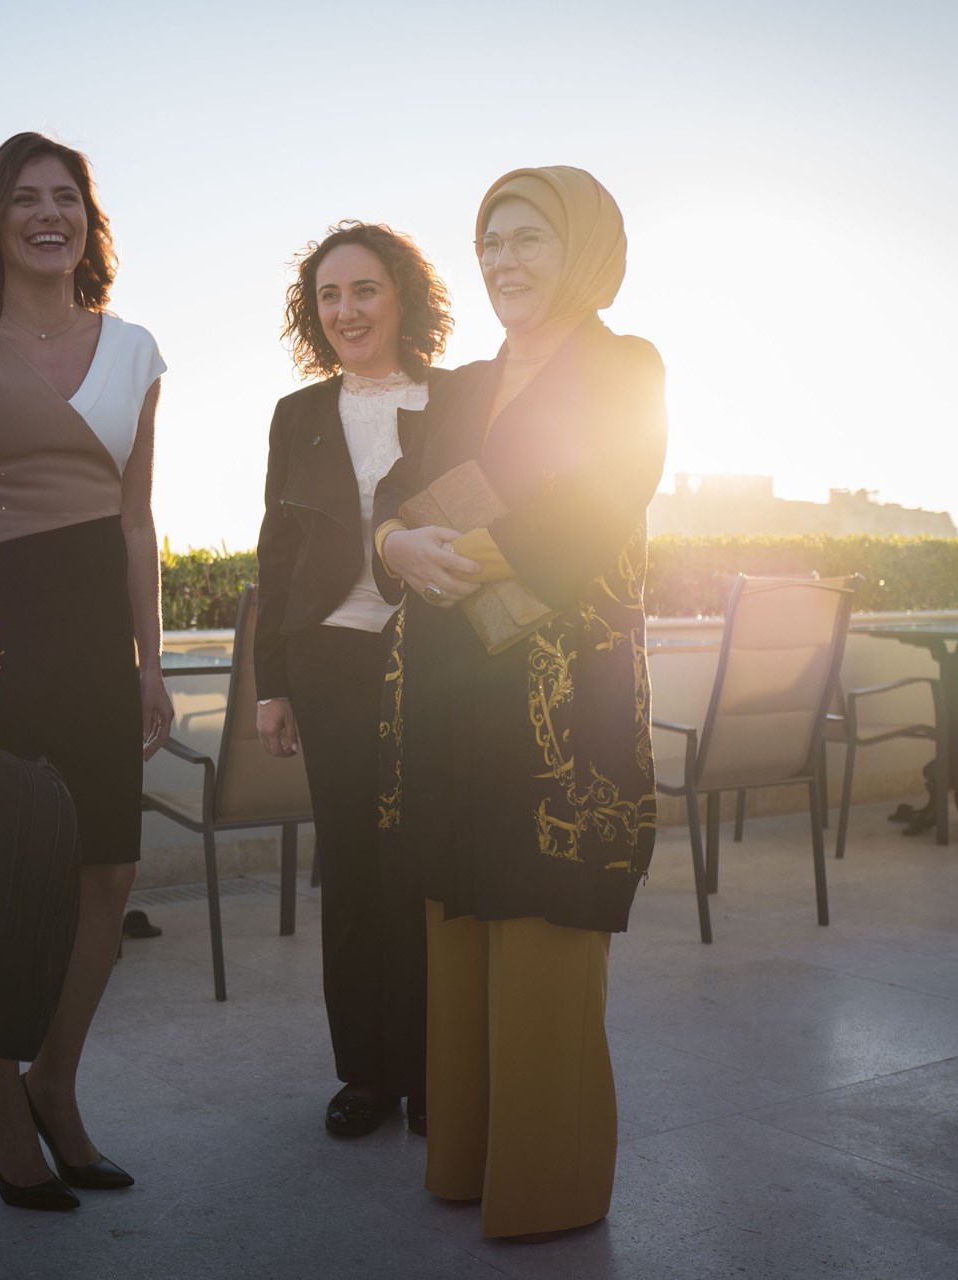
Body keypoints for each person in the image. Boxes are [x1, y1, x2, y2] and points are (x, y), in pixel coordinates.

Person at [372, 166, 666, 1242]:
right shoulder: (457, 386)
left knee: (545, 920)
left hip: (561, 705)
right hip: (451, 696)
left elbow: (600, 505)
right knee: (461, 918)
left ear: (582, 248)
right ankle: (466, 1163)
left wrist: (452, 550)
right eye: (489, 241)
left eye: (528, 237)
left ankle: (548, 1190)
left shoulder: (624, 367)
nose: (502, 260)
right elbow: (391, 497)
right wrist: (394, 544)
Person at [0, 132, 169, 1212]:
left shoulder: (136, 350)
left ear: (88, 220)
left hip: (98, 637)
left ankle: (56, 1081)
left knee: (107, 871)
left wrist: (151, 660)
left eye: (66, 196)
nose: (48, 214)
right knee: (8, 875)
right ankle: (2, 1100)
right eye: (24, 198)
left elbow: (136, 517)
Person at [253, 222, 451, 1139]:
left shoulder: (455, 400)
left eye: (364, 289)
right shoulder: (296, 414)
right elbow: (277, 554)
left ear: (402, 296)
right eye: (328, 296)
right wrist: (272, 684)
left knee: (432, 860)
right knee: (354, 867)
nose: (346, 311)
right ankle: (367, 1072)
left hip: (435, 656)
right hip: (328, 660)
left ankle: (437, 1068)